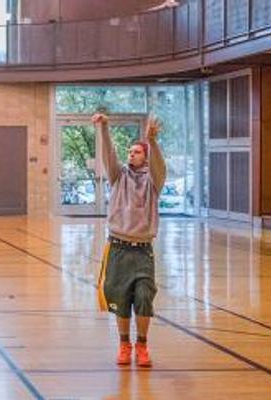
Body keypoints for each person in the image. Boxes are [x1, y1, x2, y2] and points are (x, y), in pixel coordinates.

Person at [93, 113, 166, 368]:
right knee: (120, 299)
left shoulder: (153, 181)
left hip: (142, 250)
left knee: (145, 296)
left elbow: (160, 166)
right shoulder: (118, 176)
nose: (131, 154)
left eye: (136, 151)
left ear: (145, 156)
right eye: (129, 151)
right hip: (118, 248)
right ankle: (124, 344)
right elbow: (108, 155)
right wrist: (103, 128)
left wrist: (152, 140)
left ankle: (142, 345)